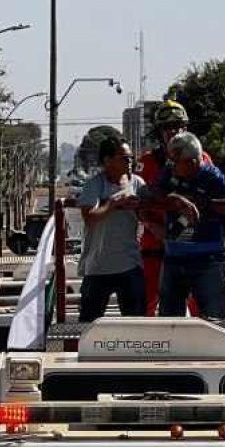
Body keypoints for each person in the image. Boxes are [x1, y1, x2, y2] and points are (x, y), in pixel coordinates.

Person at [147, 131, 225, 319]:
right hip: (174, 257)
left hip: (206, 259)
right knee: (169, 317)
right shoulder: (170, 171)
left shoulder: (212, 176)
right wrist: (174, 199)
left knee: (214, 317)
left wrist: (205, 203)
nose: (172, 166)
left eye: (177, 162)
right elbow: (153, 191)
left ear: (192, 162)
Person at [137, 96, 211, 315]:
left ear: (186, 128)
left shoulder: (203, 158)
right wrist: (153, 227)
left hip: (193, 245)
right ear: (160, 131)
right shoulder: (148, 162)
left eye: (178, 126)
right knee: (147, 302)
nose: (173, 132)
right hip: (156, 246)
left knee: (201, 305)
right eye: (168, 127)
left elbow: (212, 196)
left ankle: (206, 347)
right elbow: (139, 204)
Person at [76, 135, 146, 322]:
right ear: (107, 161)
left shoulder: (138, 184)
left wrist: (140, 208)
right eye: (124, 158)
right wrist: (113, 203)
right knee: (88, 325)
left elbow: (149, 214)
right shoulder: (95, 184)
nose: (129, 161)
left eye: (131, 157)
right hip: (98, 267)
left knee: (136, 323)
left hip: (130, 265)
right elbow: (89, 217)